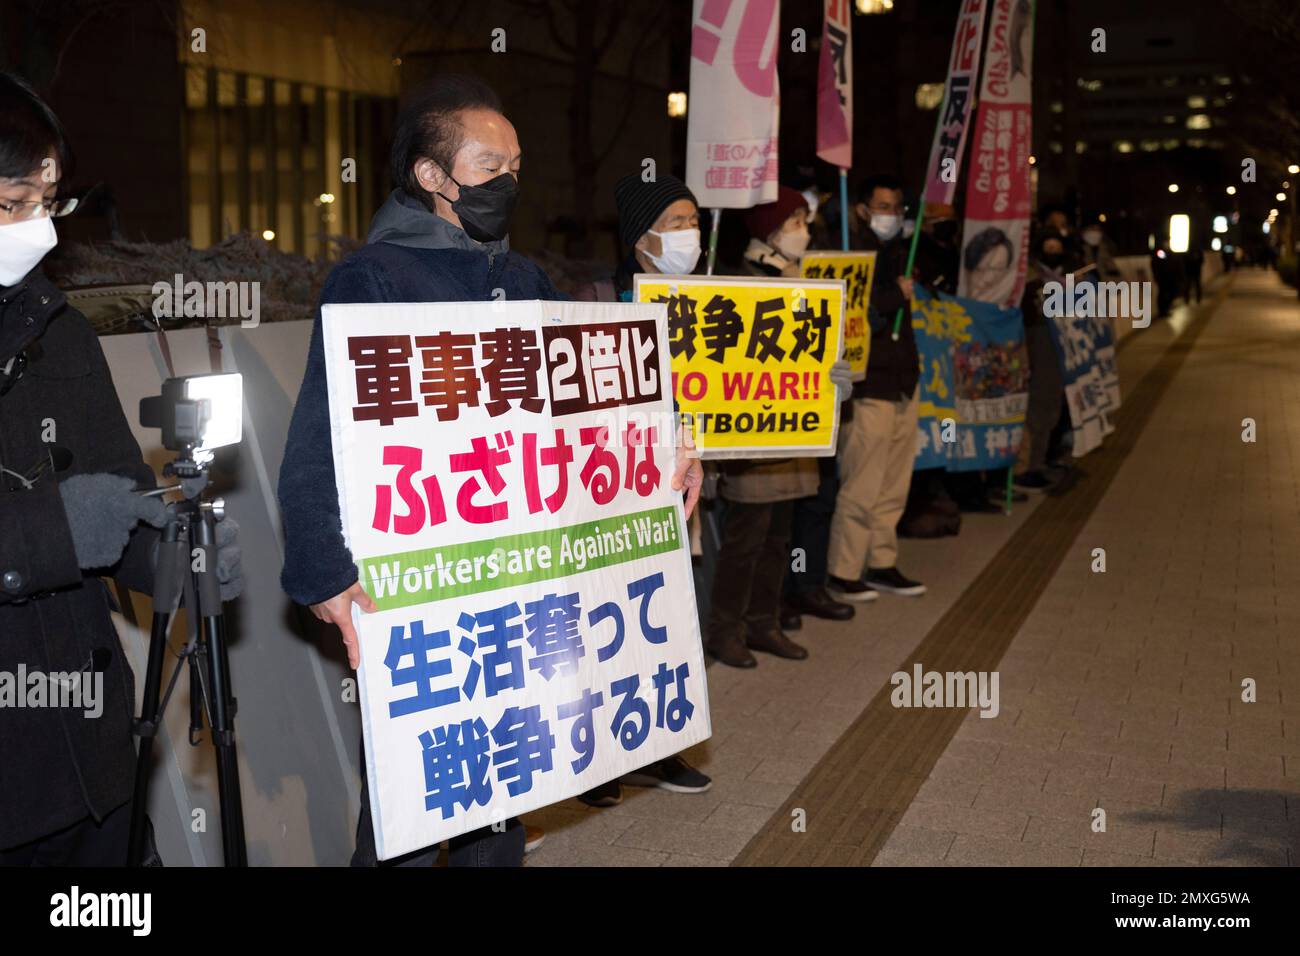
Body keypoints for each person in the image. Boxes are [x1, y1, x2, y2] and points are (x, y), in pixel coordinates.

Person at [278, 76, 702, 864]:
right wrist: (324, 572)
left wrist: (664, 453)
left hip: (517, 583)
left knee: (502, 790)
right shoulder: (373, 281)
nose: (508, 179)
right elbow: (315, 445)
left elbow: (591, 418)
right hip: (419, 587)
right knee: (409, 804)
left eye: (516, 163)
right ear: (431, 176)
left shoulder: (525, 281)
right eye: (486, 163)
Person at [0, 73, 241, 865]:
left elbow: (116, 484)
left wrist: (173, 551)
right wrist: (55, 532)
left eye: (50, 202)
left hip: (95, 769)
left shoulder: (55, 329)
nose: (38, 228)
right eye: (13, 205)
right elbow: (72, 524)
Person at [571, 171, 713, 807]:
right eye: (676, 223)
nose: (691, 235)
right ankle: (599, 761)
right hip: (611, 493)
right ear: (642, 240)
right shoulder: (599, 300)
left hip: (680, 492)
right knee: (607, 624)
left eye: (694, 221)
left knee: (670, 624)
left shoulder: (718, 304)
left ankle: (661, 745)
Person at [826, 173, 926, 602]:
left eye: (897, 208)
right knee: (862, 483)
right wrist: (892, 296)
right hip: (869, 386)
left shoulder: (900, 251)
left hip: (903, 381)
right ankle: (844, 570)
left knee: (893, 483)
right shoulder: (848, 252)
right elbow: (849, 315)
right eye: (883, 207)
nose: (891, 215)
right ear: (863, 209)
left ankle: (882, 562)